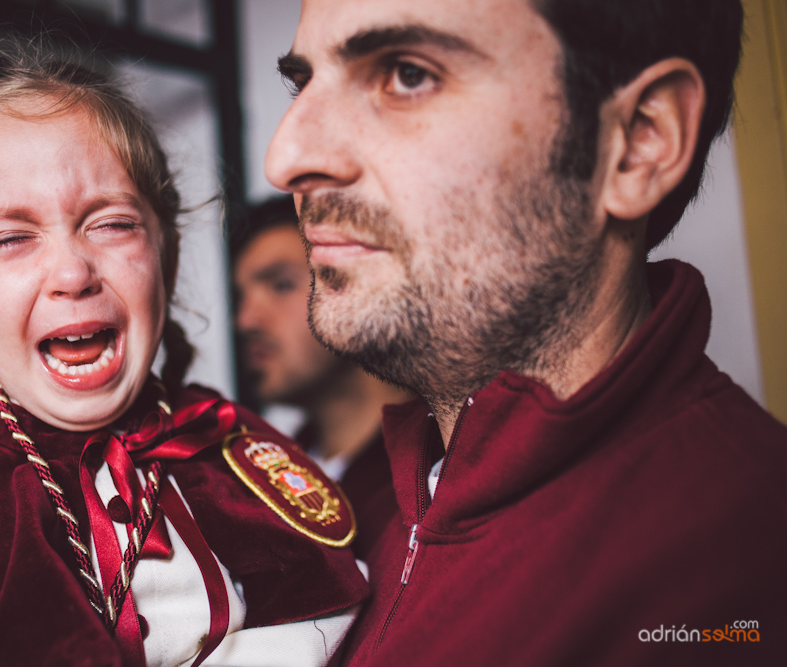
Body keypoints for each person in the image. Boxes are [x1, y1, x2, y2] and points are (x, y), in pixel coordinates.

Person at [0, 41, 367, 667]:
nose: (72, 271)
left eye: (111, 223)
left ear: (165, 260)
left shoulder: (238, 452)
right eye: (10, 238)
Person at [264, 0, 787, 665]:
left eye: (406, 73)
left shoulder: (746, 571)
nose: (285, 158)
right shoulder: (363, 514)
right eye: (301, 81)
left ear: (637, 141)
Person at [233, 196, 410, 559]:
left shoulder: (432, 469)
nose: (246, 321)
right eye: (241, 297)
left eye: (281, 285)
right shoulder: (269, 474)